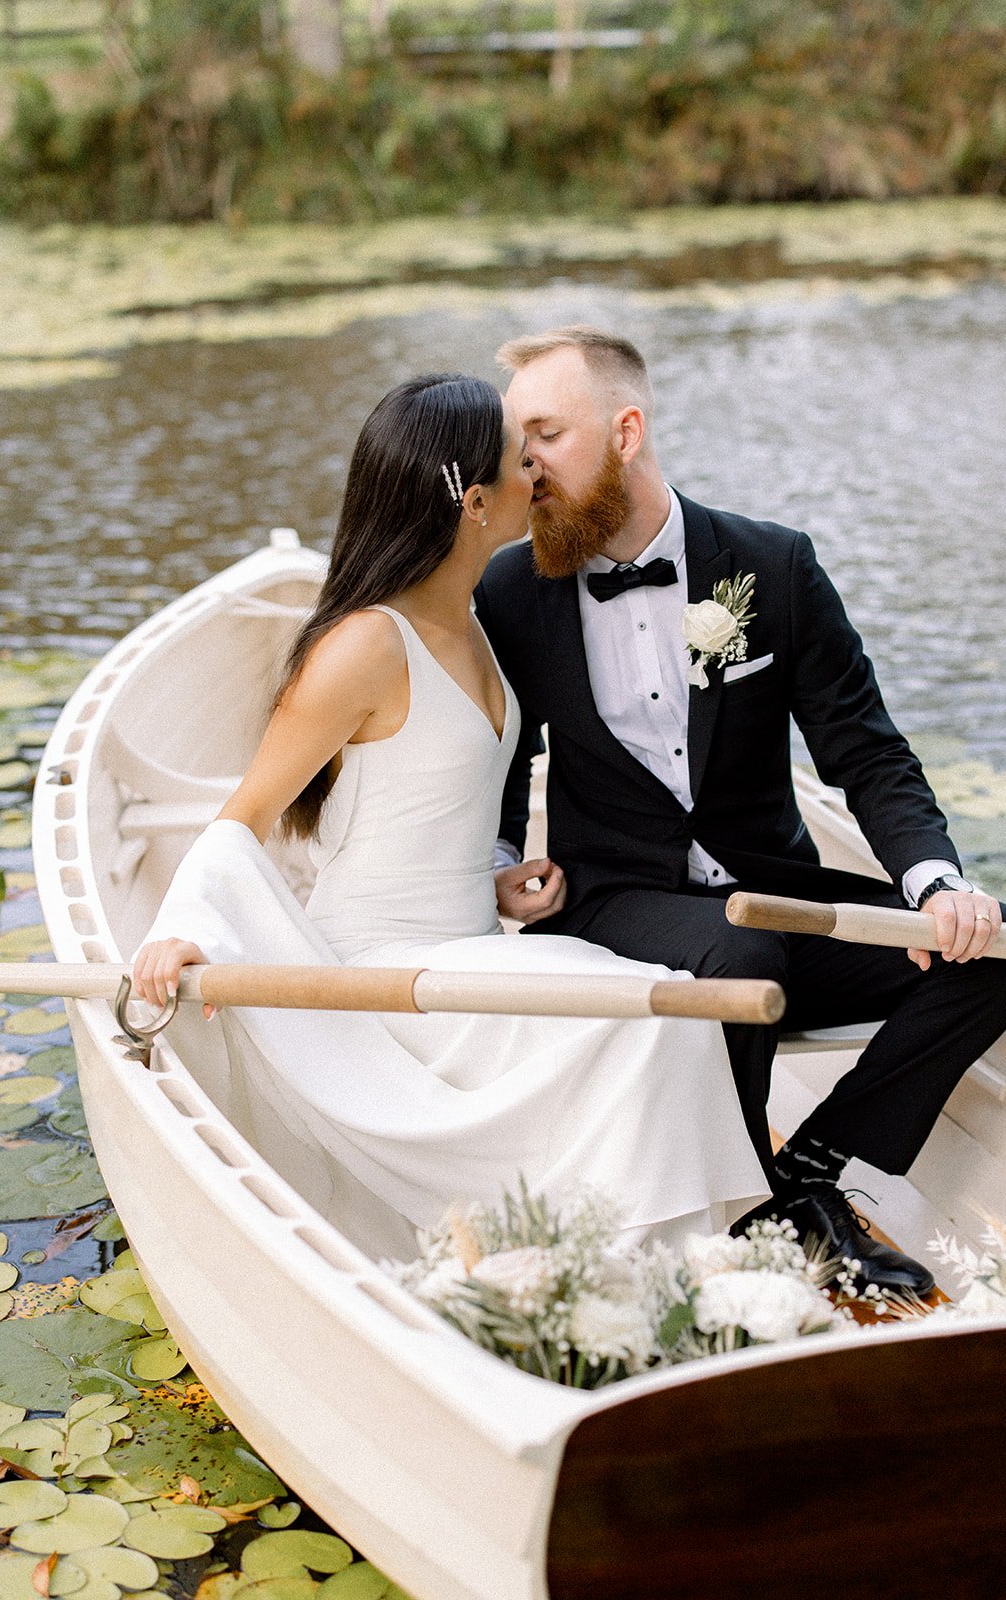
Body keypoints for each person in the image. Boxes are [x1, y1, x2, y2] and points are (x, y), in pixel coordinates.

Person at [132, 373, 768, 1260]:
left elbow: (430, 810)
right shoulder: (364, 644)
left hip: (471, 948)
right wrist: (185, 928)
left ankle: (608, 1266)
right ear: (475, 503)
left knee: (667, 1009)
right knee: (645, 1020)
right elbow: (245, 815)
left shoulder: (470, 627)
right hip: (381, 979)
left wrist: (496, 879)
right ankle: (607, 1271)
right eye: (521, 463)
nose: (538, 476)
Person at [475, 326, 1006, 1297]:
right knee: (742, 950)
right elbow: (500, 754)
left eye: (544, 437)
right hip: (615, 902)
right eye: (516, 444)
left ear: (624, 430)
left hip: (771, 894)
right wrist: (494, 866)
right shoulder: (510, 590)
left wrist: (934, 882)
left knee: (995, 952)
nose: (525, 467)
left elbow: (861, 747)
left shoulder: (769, 568)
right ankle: (739, 1211)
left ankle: (805, 1174)